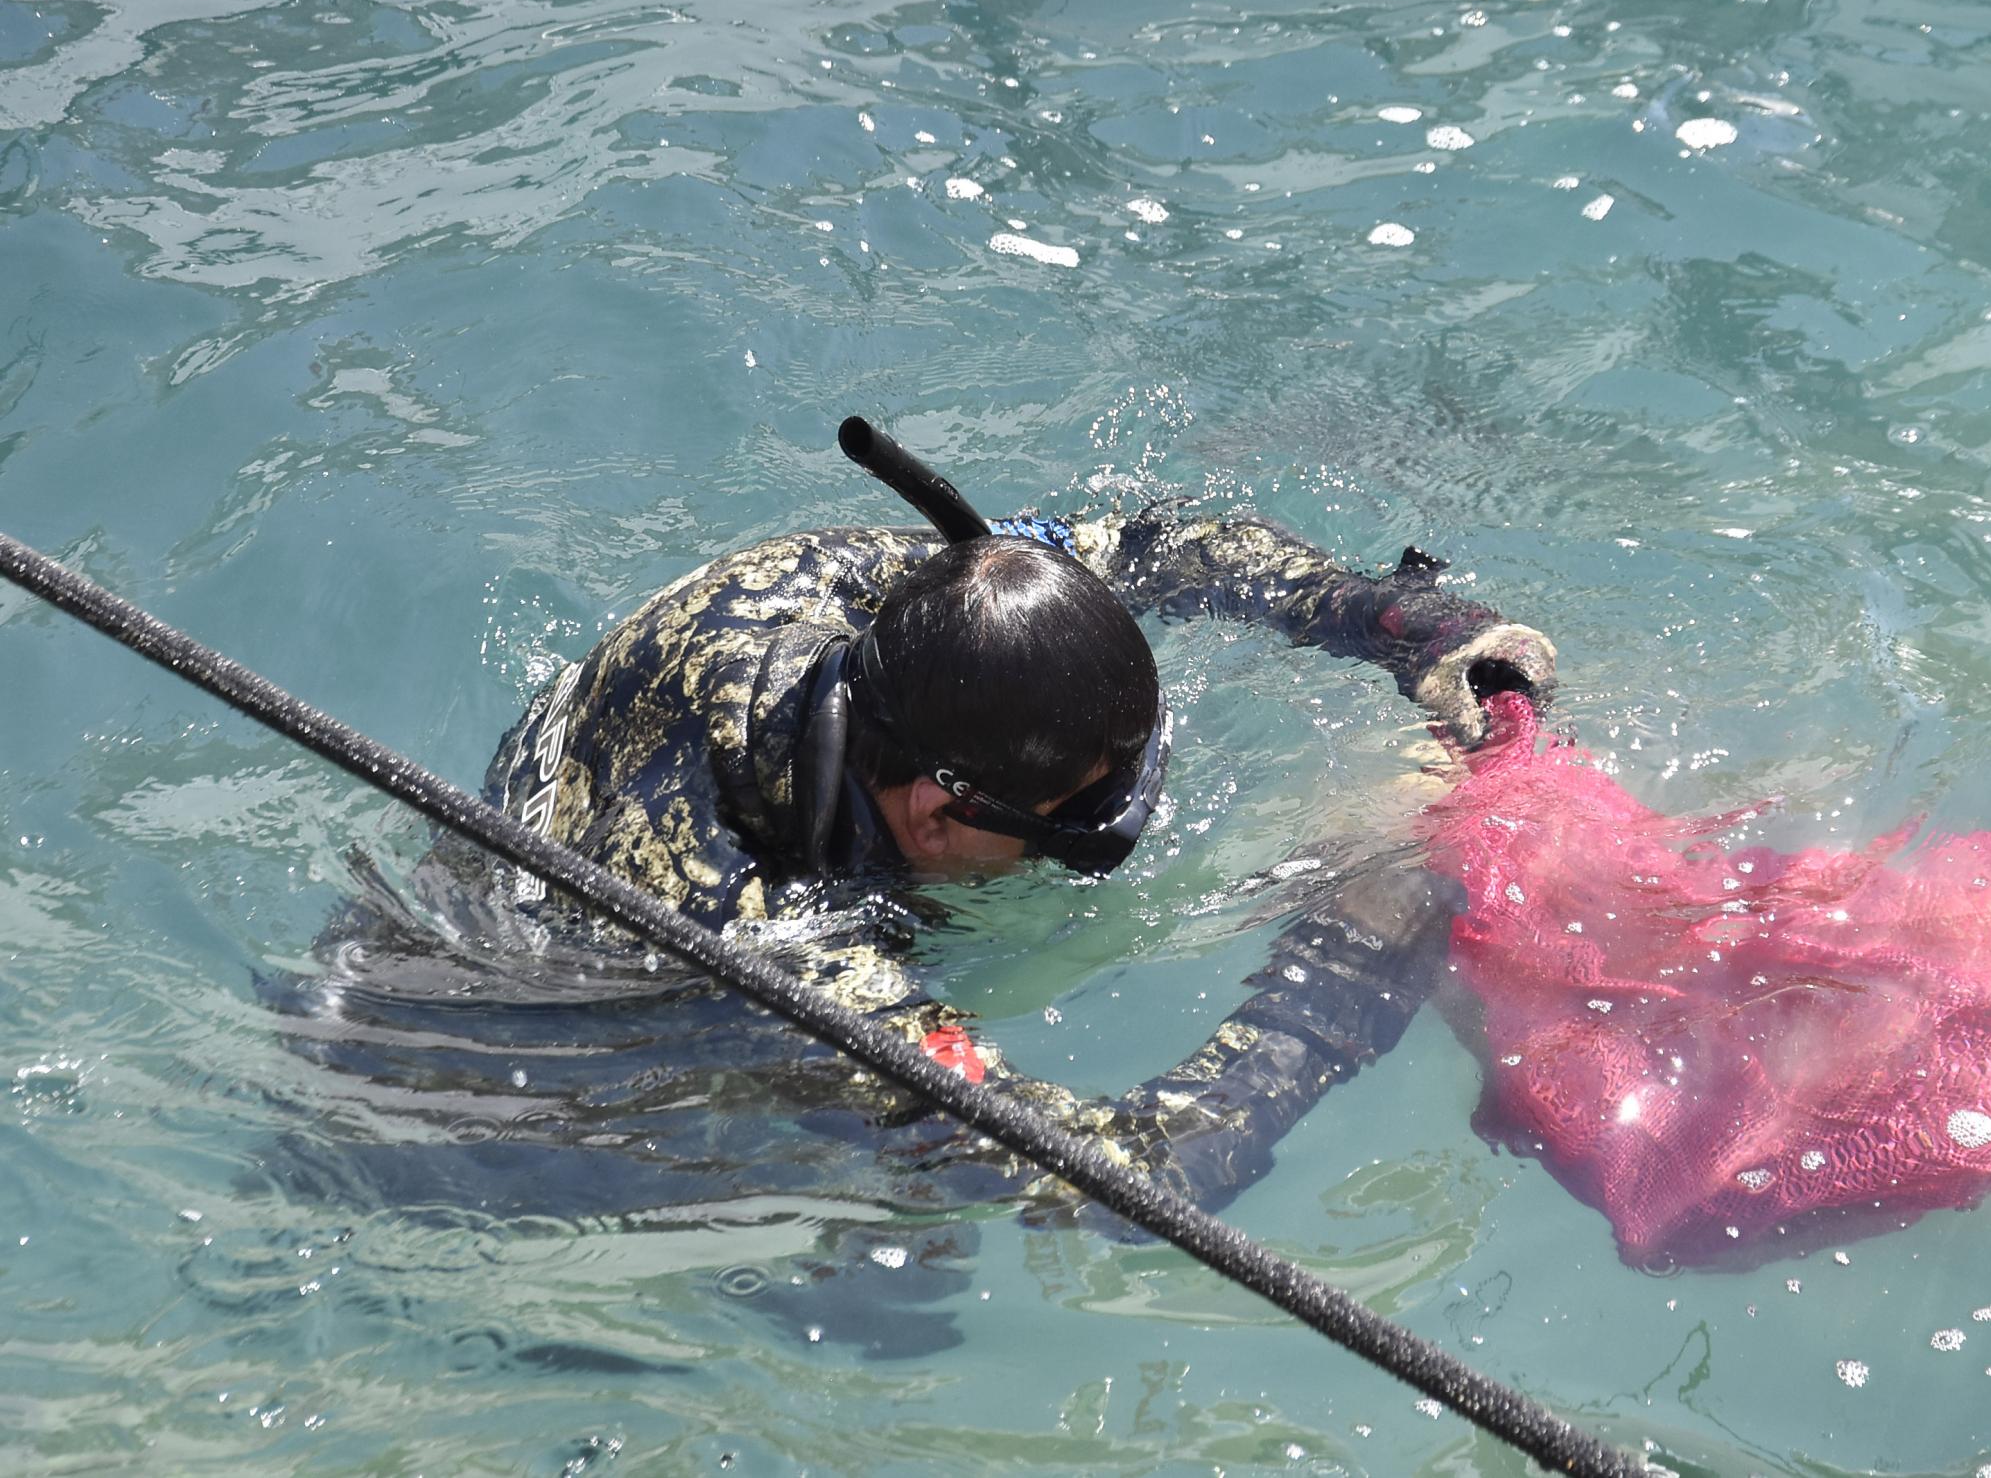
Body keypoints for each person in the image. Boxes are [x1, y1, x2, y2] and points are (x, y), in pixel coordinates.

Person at [286, 418, 1557, 1235]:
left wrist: (1403, 628)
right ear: (941, 814)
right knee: (909, 1225)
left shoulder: (889, 592)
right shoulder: (778, 938)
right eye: (1088, 834)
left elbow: (1168, 547)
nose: (1123, 834)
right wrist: (1355, 951)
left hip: (551, 849)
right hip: (480, 1108)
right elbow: (1125, 1181)